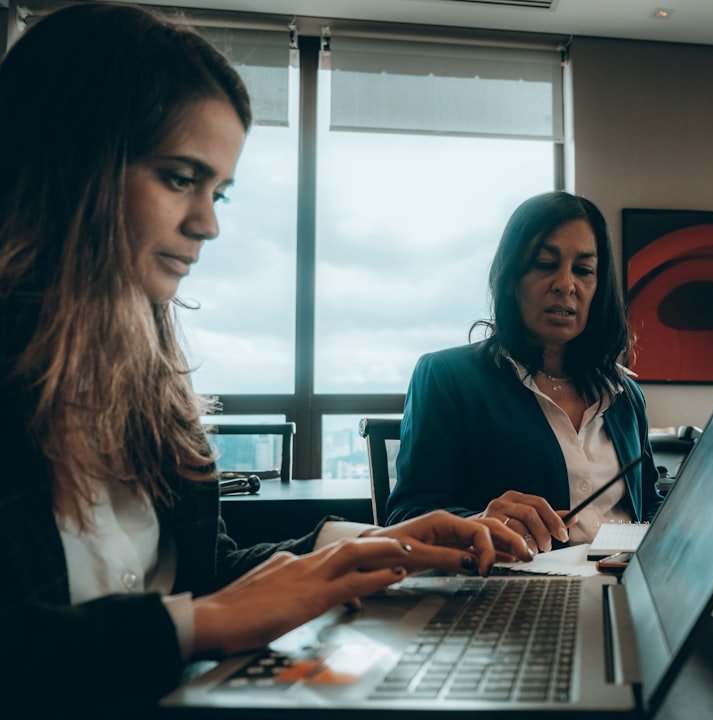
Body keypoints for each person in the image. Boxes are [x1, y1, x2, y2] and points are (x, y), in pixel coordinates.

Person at [0, 4, 531, 713]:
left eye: (217, 191)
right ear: (72, 160)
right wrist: (204, 624)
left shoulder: (144, 379)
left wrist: (373, 546)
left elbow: (204, 572)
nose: (208, 224)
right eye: (180, 177)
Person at [385, 191, 663, 552]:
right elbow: (406, 517)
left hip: (632, 583)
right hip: (521, 587)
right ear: (512, 278)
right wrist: (477, 523)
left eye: (583, 270)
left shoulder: (624, 393)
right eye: (545, 264)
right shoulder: (447, 377)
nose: (566, 284)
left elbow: (649, 504)